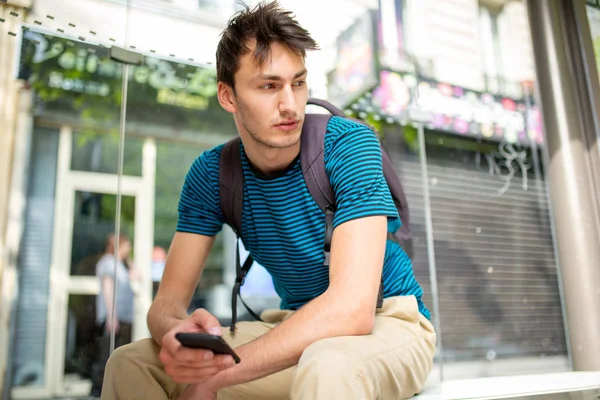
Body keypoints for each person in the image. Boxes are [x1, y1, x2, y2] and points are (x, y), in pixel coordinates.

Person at [101, 2, 436, 399]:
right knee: (130, 362)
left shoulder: (349, 144)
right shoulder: (211, 175)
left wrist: (217, 375)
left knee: (328, 365)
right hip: (295, 325)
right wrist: (174, 331)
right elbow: (166, 304)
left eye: (298, 83)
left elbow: (352, 309)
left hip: (387, 321)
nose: (290, 105)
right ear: (227, 96)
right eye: (268, 86)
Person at [91, 233, 137, 396]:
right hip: (113, 318)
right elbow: (107, 289)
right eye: (127, 245)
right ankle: (98, 391)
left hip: (123, 317)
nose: (129, 248)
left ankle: (112, 390)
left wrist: (129, 262)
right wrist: (112, 316)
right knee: (106, 354)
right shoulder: (109, 263)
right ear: (119, 246)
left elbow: (137, 277)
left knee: (117, 354)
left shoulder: (120, 264)